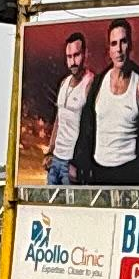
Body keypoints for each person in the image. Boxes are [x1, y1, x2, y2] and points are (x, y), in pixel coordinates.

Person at [78, 16, 139, 185]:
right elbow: (86, 128)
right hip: (98, 172)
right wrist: (80, 165)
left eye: (123, 42)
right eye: (114, 44)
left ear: (130, 46)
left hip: (130, 173)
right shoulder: (97, 84)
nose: (119, 49)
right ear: (109, 50)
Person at [47, 28, 95, 185]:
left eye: (76, 55)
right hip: (55, 161)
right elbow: (58, 120)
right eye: (69, 56)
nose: (73, 61)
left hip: (72, 164)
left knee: (73, 208)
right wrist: (49, 152)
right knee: (49, 208)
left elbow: (91, 127)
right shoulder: (64, 82)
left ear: (85, 54)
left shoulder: (90, 83)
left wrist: (79, 162)